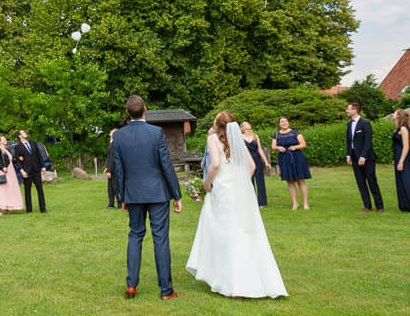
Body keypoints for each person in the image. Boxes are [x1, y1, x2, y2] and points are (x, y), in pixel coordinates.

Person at [186, 112, 286, 299]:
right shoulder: (238, 139)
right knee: (246, 233)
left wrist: (207, 183)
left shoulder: (213, 139)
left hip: (222, 191)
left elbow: (215, 164)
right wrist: (241, 183)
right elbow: (252, 166)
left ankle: (231, 282)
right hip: (241, 193)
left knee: (225, 234)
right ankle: (252, 281)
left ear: (218, 124)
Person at [109, 95, 184, 300]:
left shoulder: (119, 136)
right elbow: (166, 165)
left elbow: (120, 170)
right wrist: (176, 194)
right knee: (160, 238)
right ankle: (166, 291)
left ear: (128, 113)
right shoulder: (156, 132)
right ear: (145, 110)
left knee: (135, 236)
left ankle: (131, 285)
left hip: (133, 193)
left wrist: (123, 196)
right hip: (158, 192)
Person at [344, 102, 383, 213]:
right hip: (354, 158)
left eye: (348, 109)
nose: (347, 111)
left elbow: (368, 142)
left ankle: (379, 206)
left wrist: (363, 156)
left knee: (372, 181)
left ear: (355, 110)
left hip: (367, 158)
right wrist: (348, 155)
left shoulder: (365, 123)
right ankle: (367, 206)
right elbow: (348, 141)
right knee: (360, 182)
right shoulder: (349, 124)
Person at [271, 117, 311, 210]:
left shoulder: (295, 132)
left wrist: (295, 147)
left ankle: (305, 203)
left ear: (288, 123)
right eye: (282, 122)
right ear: (279, 124)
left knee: (300, 180)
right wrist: (278, 148)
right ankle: (295, 203)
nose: (284, 123)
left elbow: (303, 144)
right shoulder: (276, 135)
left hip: (297, 157)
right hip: (284, 158)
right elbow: (273, 146)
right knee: (289, 181)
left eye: (285, 121)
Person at [12, 130, 48, 214]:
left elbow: (39, 155)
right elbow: (18, 160)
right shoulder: (18, 147)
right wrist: (22, 171)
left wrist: (43, 166)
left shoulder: (33, 143)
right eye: (23, 133)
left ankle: (43, 209)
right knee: (27, 191)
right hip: (26, 171)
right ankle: (29, 210)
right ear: (19, 136)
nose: (25, 133)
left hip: (36, 169)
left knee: (40, 189)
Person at [239, 122, 272, 208]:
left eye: (248, 123)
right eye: (245, 124)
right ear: (242, 127)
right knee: (249, 181)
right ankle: (251, 201)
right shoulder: (240, 137)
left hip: (257, 159)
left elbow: (260, 150)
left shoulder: (255, 136)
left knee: (260, 181)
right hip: (246, 161)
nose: (248, 124)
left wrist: (266, 162)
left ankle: (262, 202)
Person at [0, 137, 22, 216]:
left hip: (10, 172)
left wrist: (19, 158)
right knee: (1, 191)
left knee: (9, 190)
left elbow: (11, 160)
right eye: (4, 139)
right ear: (0, 141)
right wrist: (2, 167)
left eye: (5, 139)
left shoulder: (7, 150)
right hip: (2, 172)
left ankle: (7, 208)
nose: (6, 140)